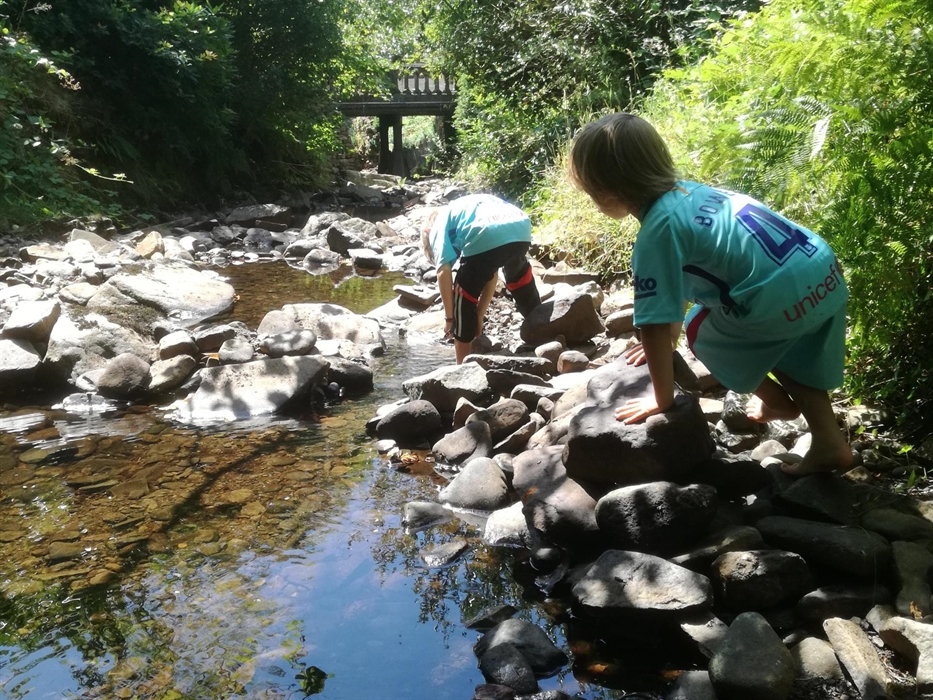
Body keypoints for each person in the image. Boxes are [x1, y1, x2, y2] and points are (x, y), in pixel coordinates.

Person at [568, 112, 852, 476]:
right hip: (822, 270)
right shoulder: (695, 191)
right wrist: (663, 344)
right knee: (788, 337)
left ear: (607, 193)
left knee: (699, 328)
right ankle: (829, 441)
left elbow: (657, 324)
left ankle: (776, 400)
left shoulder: (657, 232)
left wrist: (661, 397)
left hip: (777, 297)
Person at [421, 194, 541, 364]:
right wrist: (479, 315)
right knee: (519, 279)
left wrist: (450, 319)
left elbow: (443, 272)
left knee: (464, 293)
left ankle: (461, 367)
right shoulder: (463, 212)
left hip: (487, 231)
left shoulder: (437, 225)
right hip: (520, 226)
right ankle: (543, 331)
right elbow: (490, 273)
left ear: (427, 233)